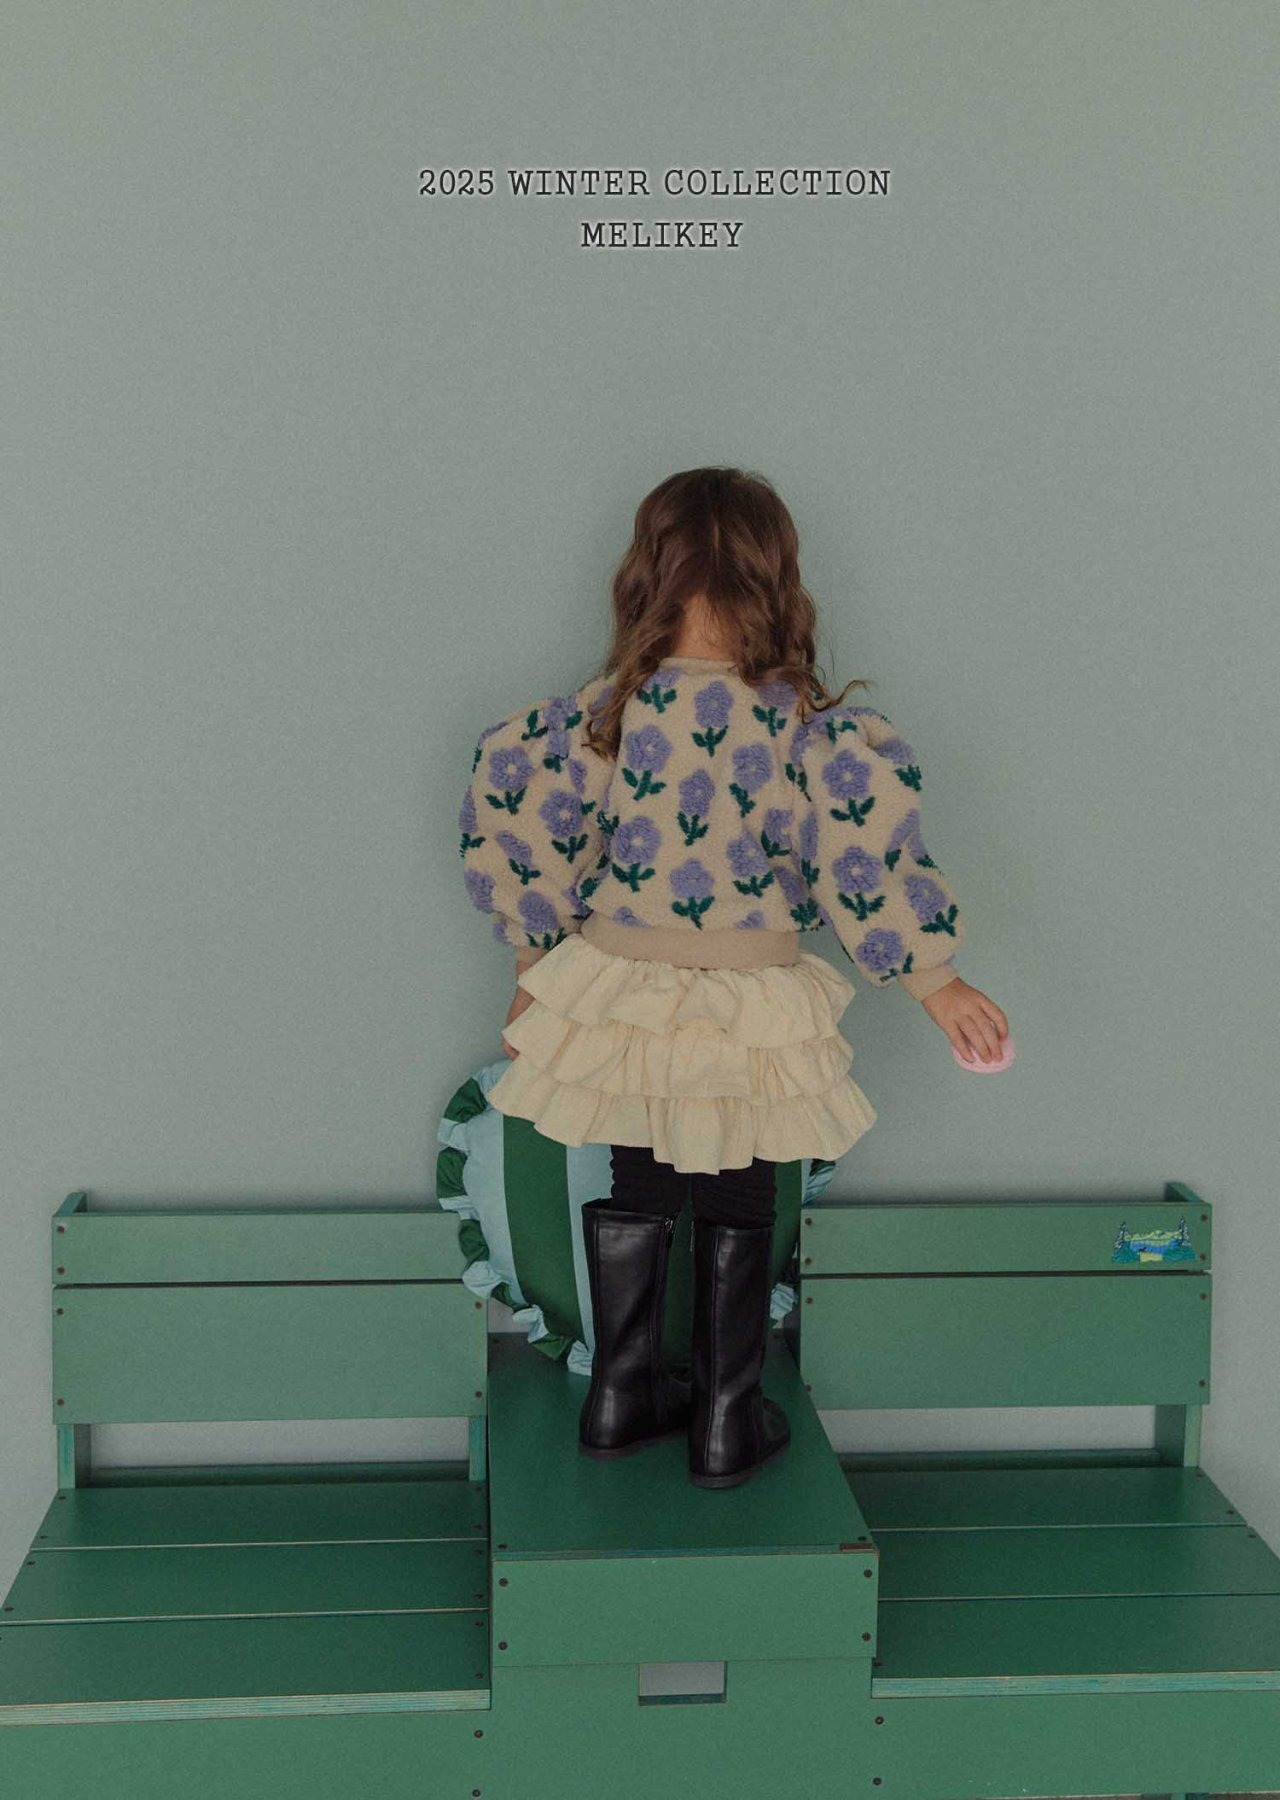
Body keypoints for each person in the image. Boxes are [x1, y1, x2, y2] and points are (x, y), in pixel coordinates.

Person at [456, 466, 1009, 1490]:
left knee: (638, 1173)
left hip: (625, 981)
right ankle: (724, 1417)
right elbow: (861, 857)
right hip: (752, 991)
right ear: (773, 579)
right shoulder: (802, 728)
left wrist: (535, 965)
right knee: (741, 1179)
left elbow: (528, 821)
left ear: (647, 574)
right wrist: (936, 982)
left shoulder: (608, 715)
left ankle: (618, 1398)